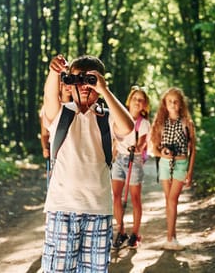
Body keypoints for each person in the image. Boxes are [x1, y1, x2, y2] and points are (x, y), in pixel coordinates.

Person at [41, 54, 134, 273]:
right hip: (63, 208)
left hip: (98, 209)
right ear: (68, 83)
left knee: (94, 269)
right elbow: (49, 98)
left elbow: (128, 127)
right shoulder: (61, 114)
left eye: (90, 81)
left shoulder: (106, 117)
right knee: (58, 269)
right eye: (77, 80)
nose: (84, 86)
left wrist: (104, 91)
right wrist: (54, 73)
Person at [150, 87, 196, 251]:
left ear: (181, 104)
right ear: (164, 103)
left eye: (176, 101)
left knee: (172, 200)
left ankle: (171, 237)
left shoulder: (186, 123)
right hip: (164, 163)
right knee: (169, 201)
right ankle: (171, 237)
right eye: (169, 101)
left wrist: (190, 172)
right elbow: (154, 149)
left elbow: (193, 149)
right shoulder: (160, 124)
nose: (172, 104)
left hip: (181, 164)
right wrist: (162, 153)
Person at [111, 86, 151, 249]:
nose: (137, 102)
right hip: (119, 159)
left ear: (144, 105)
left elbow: (141, 144)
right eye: (135, 98)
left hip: (133, 160)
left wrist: (137, 147)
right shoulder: (119, 116)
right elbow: (115, 139)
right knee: (116, 196)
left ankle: (135, 234)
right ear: (129, 100)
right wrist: (112, 155)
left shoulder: (143, 123)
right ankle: (120, 230)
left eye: (141, 100)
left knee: (134, 198)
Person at [40, 82, 72, 159]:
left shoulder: (81, 108)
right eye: (64, 83)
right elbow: (44, 134)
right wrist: (45, 148)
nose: (68, 86)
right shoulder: (48, 108)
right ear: (59, 85)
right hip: (56, 150)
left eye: (70, 82)